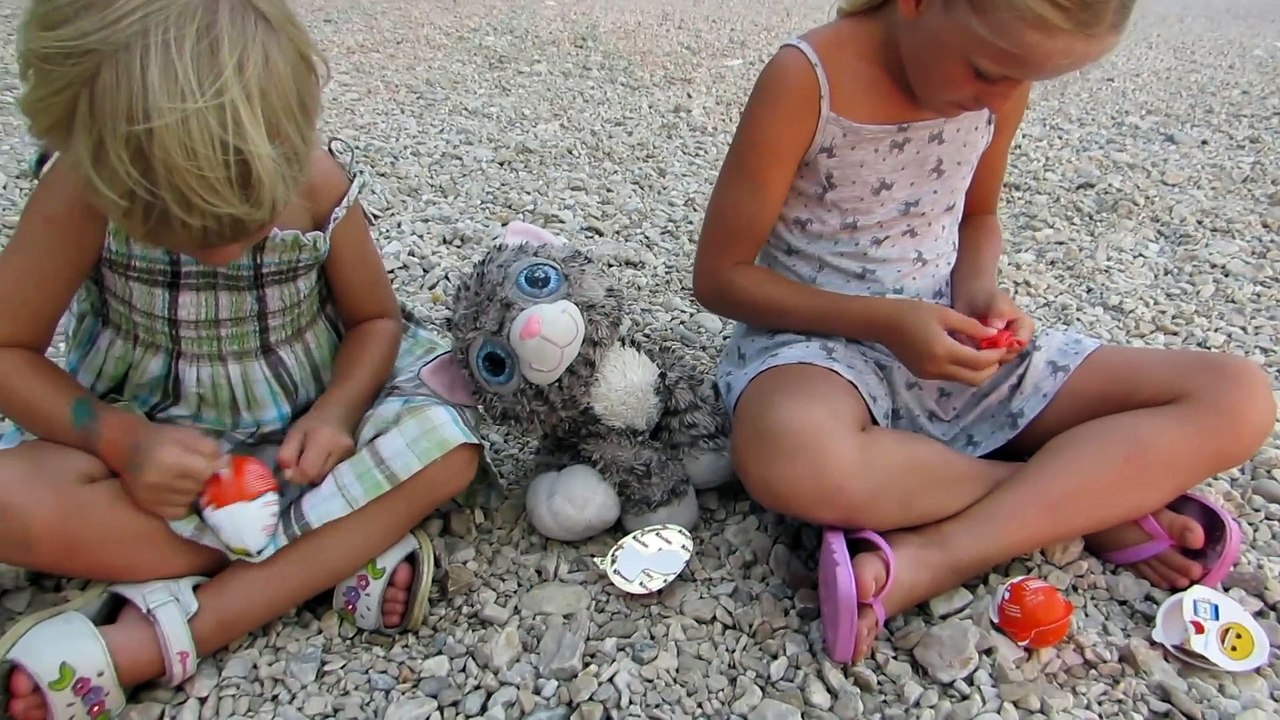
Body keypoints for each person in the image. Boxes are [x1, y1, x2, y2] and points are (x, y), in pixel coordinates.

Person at [693, 0, 1274, 665]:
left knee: (1239, 395)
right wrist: (885, 322)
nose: (1001, 95)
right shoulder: (807, 78)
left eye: (1026, 79)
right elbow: (720, 276)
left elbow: (978, 218)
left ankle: (941, 551)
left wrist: (981, 296)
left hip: (951, 338)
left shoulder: (1002, 81)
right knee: (790, 455)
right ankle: (1081, 499)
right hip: (817, 348)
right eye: (986, 68)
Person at [0, 1, 491, 718]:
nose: (224, 247)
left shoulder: (312, 178)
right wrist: (119, 438)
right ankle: (331, 548)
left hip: (299, 438)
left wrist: (337, 414)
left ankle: (154, 639)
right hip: (152, 454)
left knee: (452, 448)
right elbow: (9, 350)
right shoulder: (83, 186)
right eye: (181, 227)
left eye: (247, 217)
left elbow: (376, 320)